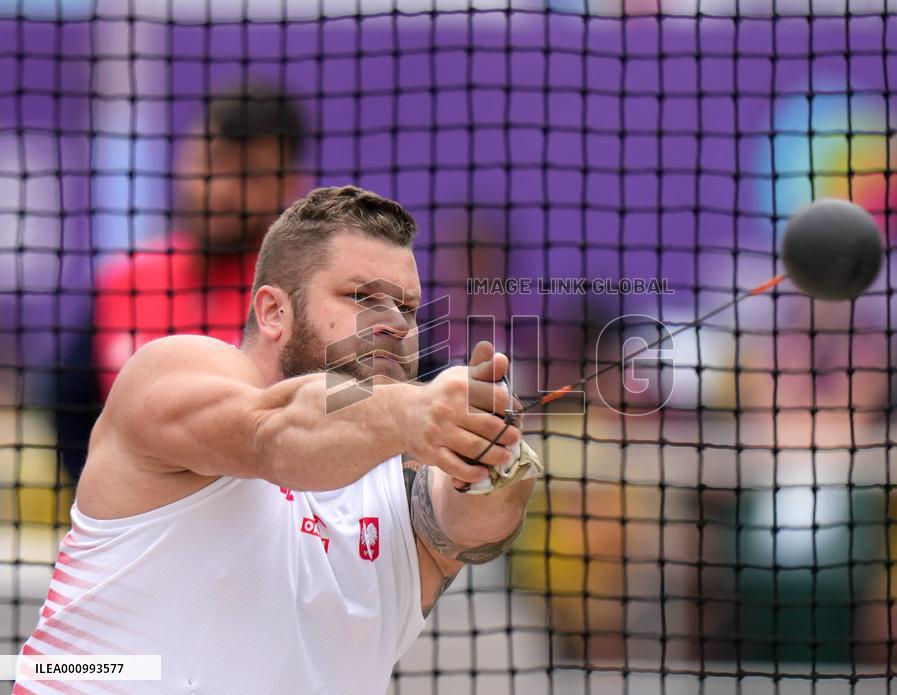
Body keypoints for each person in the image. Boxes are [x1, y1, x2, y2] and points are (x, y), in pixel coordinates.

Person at [16, 185, 538, 695]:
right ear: (273, 312)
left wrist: (494, 451)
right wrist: (413, 409)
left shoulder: (402, 481)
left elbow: (477, 519)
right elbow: (277, 433)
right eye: (361, 296)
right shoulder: (179, 370)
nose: (394, 324)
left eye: (407, 307)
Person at [56, 83, 308, 480]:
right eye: (213, 162)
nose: (222, 190)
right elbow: (68, 412)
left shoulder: (305, 295)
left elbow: (392, 386)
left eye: (250, 175)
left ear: (288, 183)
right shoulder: (126, 281)